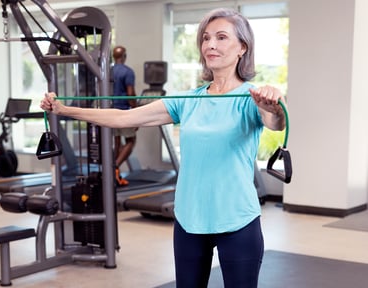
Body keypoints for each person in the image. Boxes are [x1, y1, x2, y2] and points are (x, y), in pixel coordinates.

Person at [41, 8, 286, 288]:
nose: (211, 45)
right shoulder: (189, 99)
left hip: (237, 219)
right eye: (206, 38)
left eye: (221, 37)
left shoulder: (251, 98)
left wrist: (274, 105)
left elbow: (275, 122)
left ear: (242, 47)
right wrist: (63, 109)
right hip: (189, 219)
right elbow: (123, 118)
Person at [111, 45, 137, 186]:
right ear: (124, 56)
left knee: (117, 143)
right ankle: (114, 167)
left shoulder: (108, 71)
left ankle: (115, 175)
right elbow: (130, 93)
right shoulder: (128, 72)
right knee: (131, 141)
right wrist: (136, 112)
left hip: (111, 111)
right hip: (124, 110)